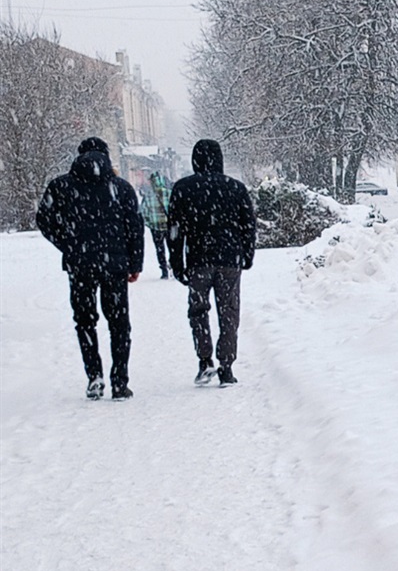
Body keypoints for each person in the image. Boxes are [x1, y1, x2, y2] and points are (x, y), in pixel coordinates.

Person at [36, 136, 144, 401]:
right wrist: (134, 263)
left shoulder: (61, 186)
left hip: (80, 265)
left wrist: (68, 244)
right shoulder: (121, 187)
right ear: (106, 157)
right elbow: (135, 227)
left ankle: (94, 375)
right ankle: (119, 381)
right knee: (119, 323)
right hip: (115, 265)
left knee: (85, 320)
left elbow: (44, 219)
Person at [167, 139, 255, 387]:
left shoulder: (183, 188)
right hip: (229, 258)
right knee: (228, 311)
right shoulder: (235, 188)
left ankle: (205, 359)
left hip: (199, 259)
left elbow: (174, 229)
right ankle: (226, 365)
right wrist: (247, 254)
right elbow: (248, 224)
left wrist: (176, 261)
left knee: (198, 310)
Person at [139, 170, 172, 279]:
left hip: (156, 227)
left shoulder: (148, 195)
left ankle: (164, 270)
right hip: (169, 226)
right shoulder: (169, 193)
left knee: (160, 248)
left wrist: (149, 223)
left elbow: (144, 211)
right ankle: (173, 267)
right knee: (172, 247)